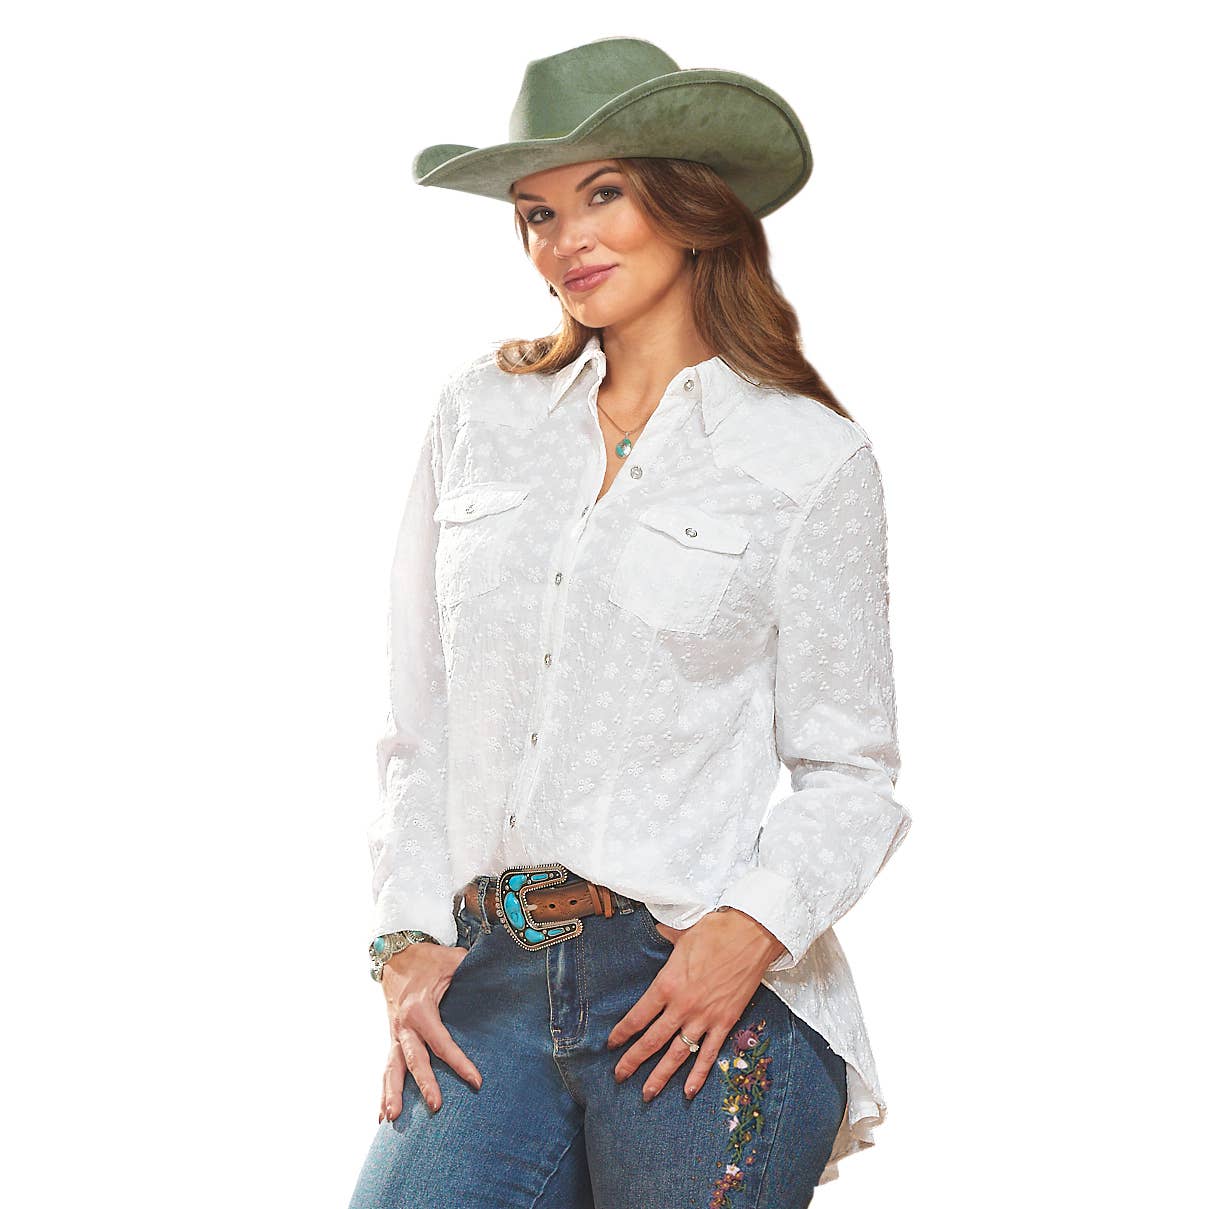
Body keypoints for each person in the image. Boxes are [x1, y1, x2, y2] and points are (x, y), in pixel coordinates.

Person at [348, 36, 912, 1209]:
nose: (566, 240)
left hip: (694, 990)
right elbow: (420, 719)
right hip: (486, 980)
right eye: (537, 213)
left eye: (603, 194)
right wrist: (400, 938)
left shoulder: (805, 457)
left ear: (690, 206)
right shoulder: (481, 414)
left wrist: (747, 933)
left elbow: (851, 774)